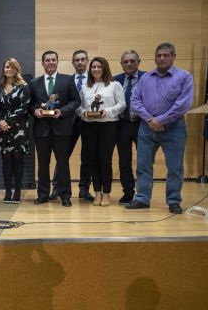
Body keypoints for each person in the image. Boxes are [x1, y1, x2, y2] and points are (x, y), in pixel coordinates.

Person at [126, 42, 194, 214]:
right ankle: (142, 198)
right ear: (155, 57)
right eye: (159, 55)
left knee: (175, 167)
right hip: (146, 128)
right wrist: (150, 119)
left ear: (173, 56)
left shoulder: (184, 77)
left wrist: (161, 120)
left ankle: (173, 201)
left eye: (165, 55)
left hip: (174, 129)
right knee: (143, 165)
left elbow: (183, 104)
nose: (162, 58)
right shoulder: (145, 78)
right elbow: (135, 100)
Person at [29, 51, 81, 207]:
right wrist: (35, 111)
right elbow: (29, 105)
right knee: (43, 165)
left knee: (63, 163)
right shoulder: (34, 83)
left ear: (57, 61)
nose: (50, 62)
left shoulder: (67, 80)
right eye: (47, 60)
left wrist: (62, 111)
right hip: (41, 130)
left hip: (61, 129)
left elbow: (76, 101)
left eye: (53, 60)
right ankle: (43, 195)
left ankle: (65, 195)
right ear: (42, 63)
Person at [75, 57, 125, 206]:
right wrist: (83, 113)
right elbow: (78, 106)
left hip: (108, 126)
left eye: (99, 67)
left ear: (105, 68)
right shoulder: (85, 86)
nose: (96, 69)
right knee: (92, 160)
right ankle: (97, 193)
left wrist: (107, 112)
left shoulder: (114, 85)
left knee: (105, 159)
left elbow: (122, 104)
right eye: (93, 67)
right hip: (89, 126)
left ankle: (107, 194)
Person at [51, 50, 93, 201]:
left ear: (87, 61)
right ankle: (56, 187)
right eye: (77, 60)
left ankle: (84, 189)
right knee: (63, 156)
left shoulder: (95, 79)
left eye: (83, 59)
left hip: (89, 122)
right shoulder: (66, 80)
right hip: (68, 122)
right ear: (72, 63)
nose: (80, 62)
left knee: (87, 157)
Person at [0, 58, 30, 204]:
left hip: (19, 127)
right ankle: (8, 190)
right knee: (6, 161)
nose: (9, 69)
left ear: (17, 69)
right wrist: (0, 121)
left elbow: (24, 107)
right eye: (6, 67)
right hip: (2, 127)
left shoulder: (23, 86)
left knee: (17, 159)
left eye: (12, 67)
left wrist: (7, 121)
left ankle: (17, 191)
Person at [113, 50, 146, 205]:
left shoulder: (148, 78)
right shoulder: (115, 80)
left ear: (138, 62)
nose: (129, 64)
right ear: (121, 64)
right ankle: (128, 193)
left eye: (132, 61)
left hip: (142, 124)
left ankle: (143, 194)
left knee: (143, 160)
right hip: (123, 125)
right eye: (125, 62)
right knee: (124, 161)